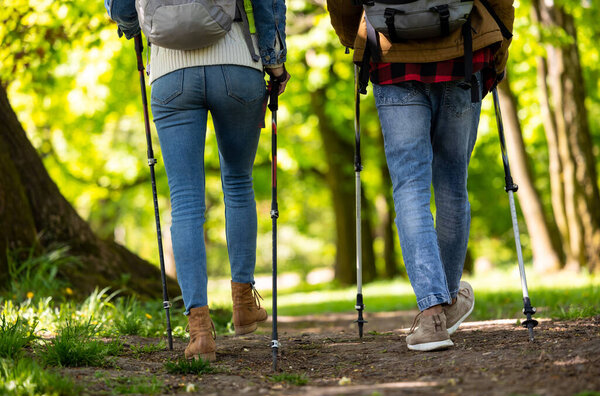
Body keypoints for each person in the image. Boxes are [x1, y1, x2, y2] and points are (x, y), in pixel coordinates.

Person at [106, 0, 290, 360]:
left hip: (169, 73)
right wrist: (274, 61)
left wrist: (132, 26)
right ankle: (242, 303)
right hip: (237, 65)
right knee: (238, 182)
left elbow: (121, 7)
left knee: (185, 201)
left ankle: (200, 332)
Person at [327, 0, 514, 351]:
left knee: (410, 188)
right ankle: (445, 303)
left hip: (392, 58)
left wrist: (355, 37)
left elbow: (341, 2)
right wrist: (500, 42)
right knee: (453, 184)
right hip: (464, 51)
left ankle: (431, 315)